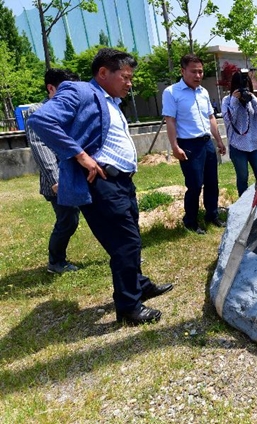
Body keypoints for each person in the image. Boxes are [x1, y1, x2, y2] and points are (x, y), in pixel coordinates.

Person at [27, 48, 173, 325]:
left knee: (128, 239)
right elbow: (40, 120)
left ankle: (138, 284)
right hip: (101, 183)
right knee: (126, 242)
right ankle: (129, 307)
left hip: (121, 182)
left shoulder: (110, 101)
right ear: (103, 73)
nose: (130, 83)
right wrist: (80, 155)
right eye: (126, 77)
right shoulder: (80, 91)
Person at [25, 68, 82, 274]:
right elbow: (40, 146)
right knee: (68, 220)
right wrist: (56, 180)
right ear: (51, 88)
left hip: (81, 173)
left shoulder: (73, 109)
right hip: (58, 179)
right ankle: (56, 261)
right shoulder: (37, 110)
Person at [162, 54, 227, 235]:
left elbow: (211, 117)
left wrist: (219, 141)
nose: (198, 75)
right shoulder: (172, 92)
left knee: (212, 182)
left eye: (200, 71)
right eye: (194, 72)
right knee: (195, 184)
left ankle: (212, 214)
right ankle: (190, 220)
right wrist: (175, 146)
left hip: (207, 143)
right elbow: (170, 121)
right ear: (183, 71)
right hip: (189, 145)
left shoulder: (203, 92)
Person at [221, 71, 257, 196]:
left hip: (255, 145)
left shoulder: (251, 99)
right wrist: (234, 100)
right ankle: (243, 206)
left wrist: (253, 98)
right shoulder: (227, 100)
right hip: (238, 146)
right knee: (242, 177)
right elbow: (228, 120)